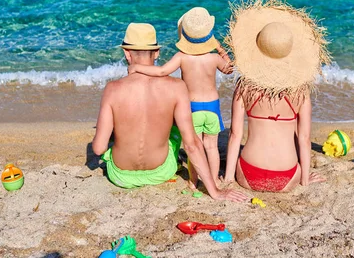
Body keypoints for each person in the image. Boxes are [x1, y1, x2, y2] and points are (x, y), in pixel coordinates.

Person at [92, 23, 247, 202]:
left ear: (127, 53)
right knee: (178, 127)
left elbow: (99, 148)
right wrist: (216, 192)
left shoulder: (112, 89)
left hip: (121, 177)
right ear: (157, 52)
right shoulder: (176, 87)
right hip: (161, 172)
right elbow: (192, 145)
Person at [223, 0, 331, 192]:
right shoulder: (300, 90)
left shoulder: (245, 85)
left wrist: (229, 177)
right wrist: (304, 179)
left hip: (248, 174)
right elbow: (304, 138)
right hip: (287, 177)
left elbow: (235, 134)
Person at [128, 8, 232, 189]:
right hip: (212, 108)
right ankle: (214, 180)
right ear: (209, 35)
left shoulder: (182, 57)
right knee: (211, 148)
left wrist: (137, 67)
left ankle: (193, 181)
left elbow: (161, 72)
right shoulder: (214, 58)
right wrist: (220, 49)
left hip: (193, 108)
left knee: (194, 147)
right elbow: (229, 68)